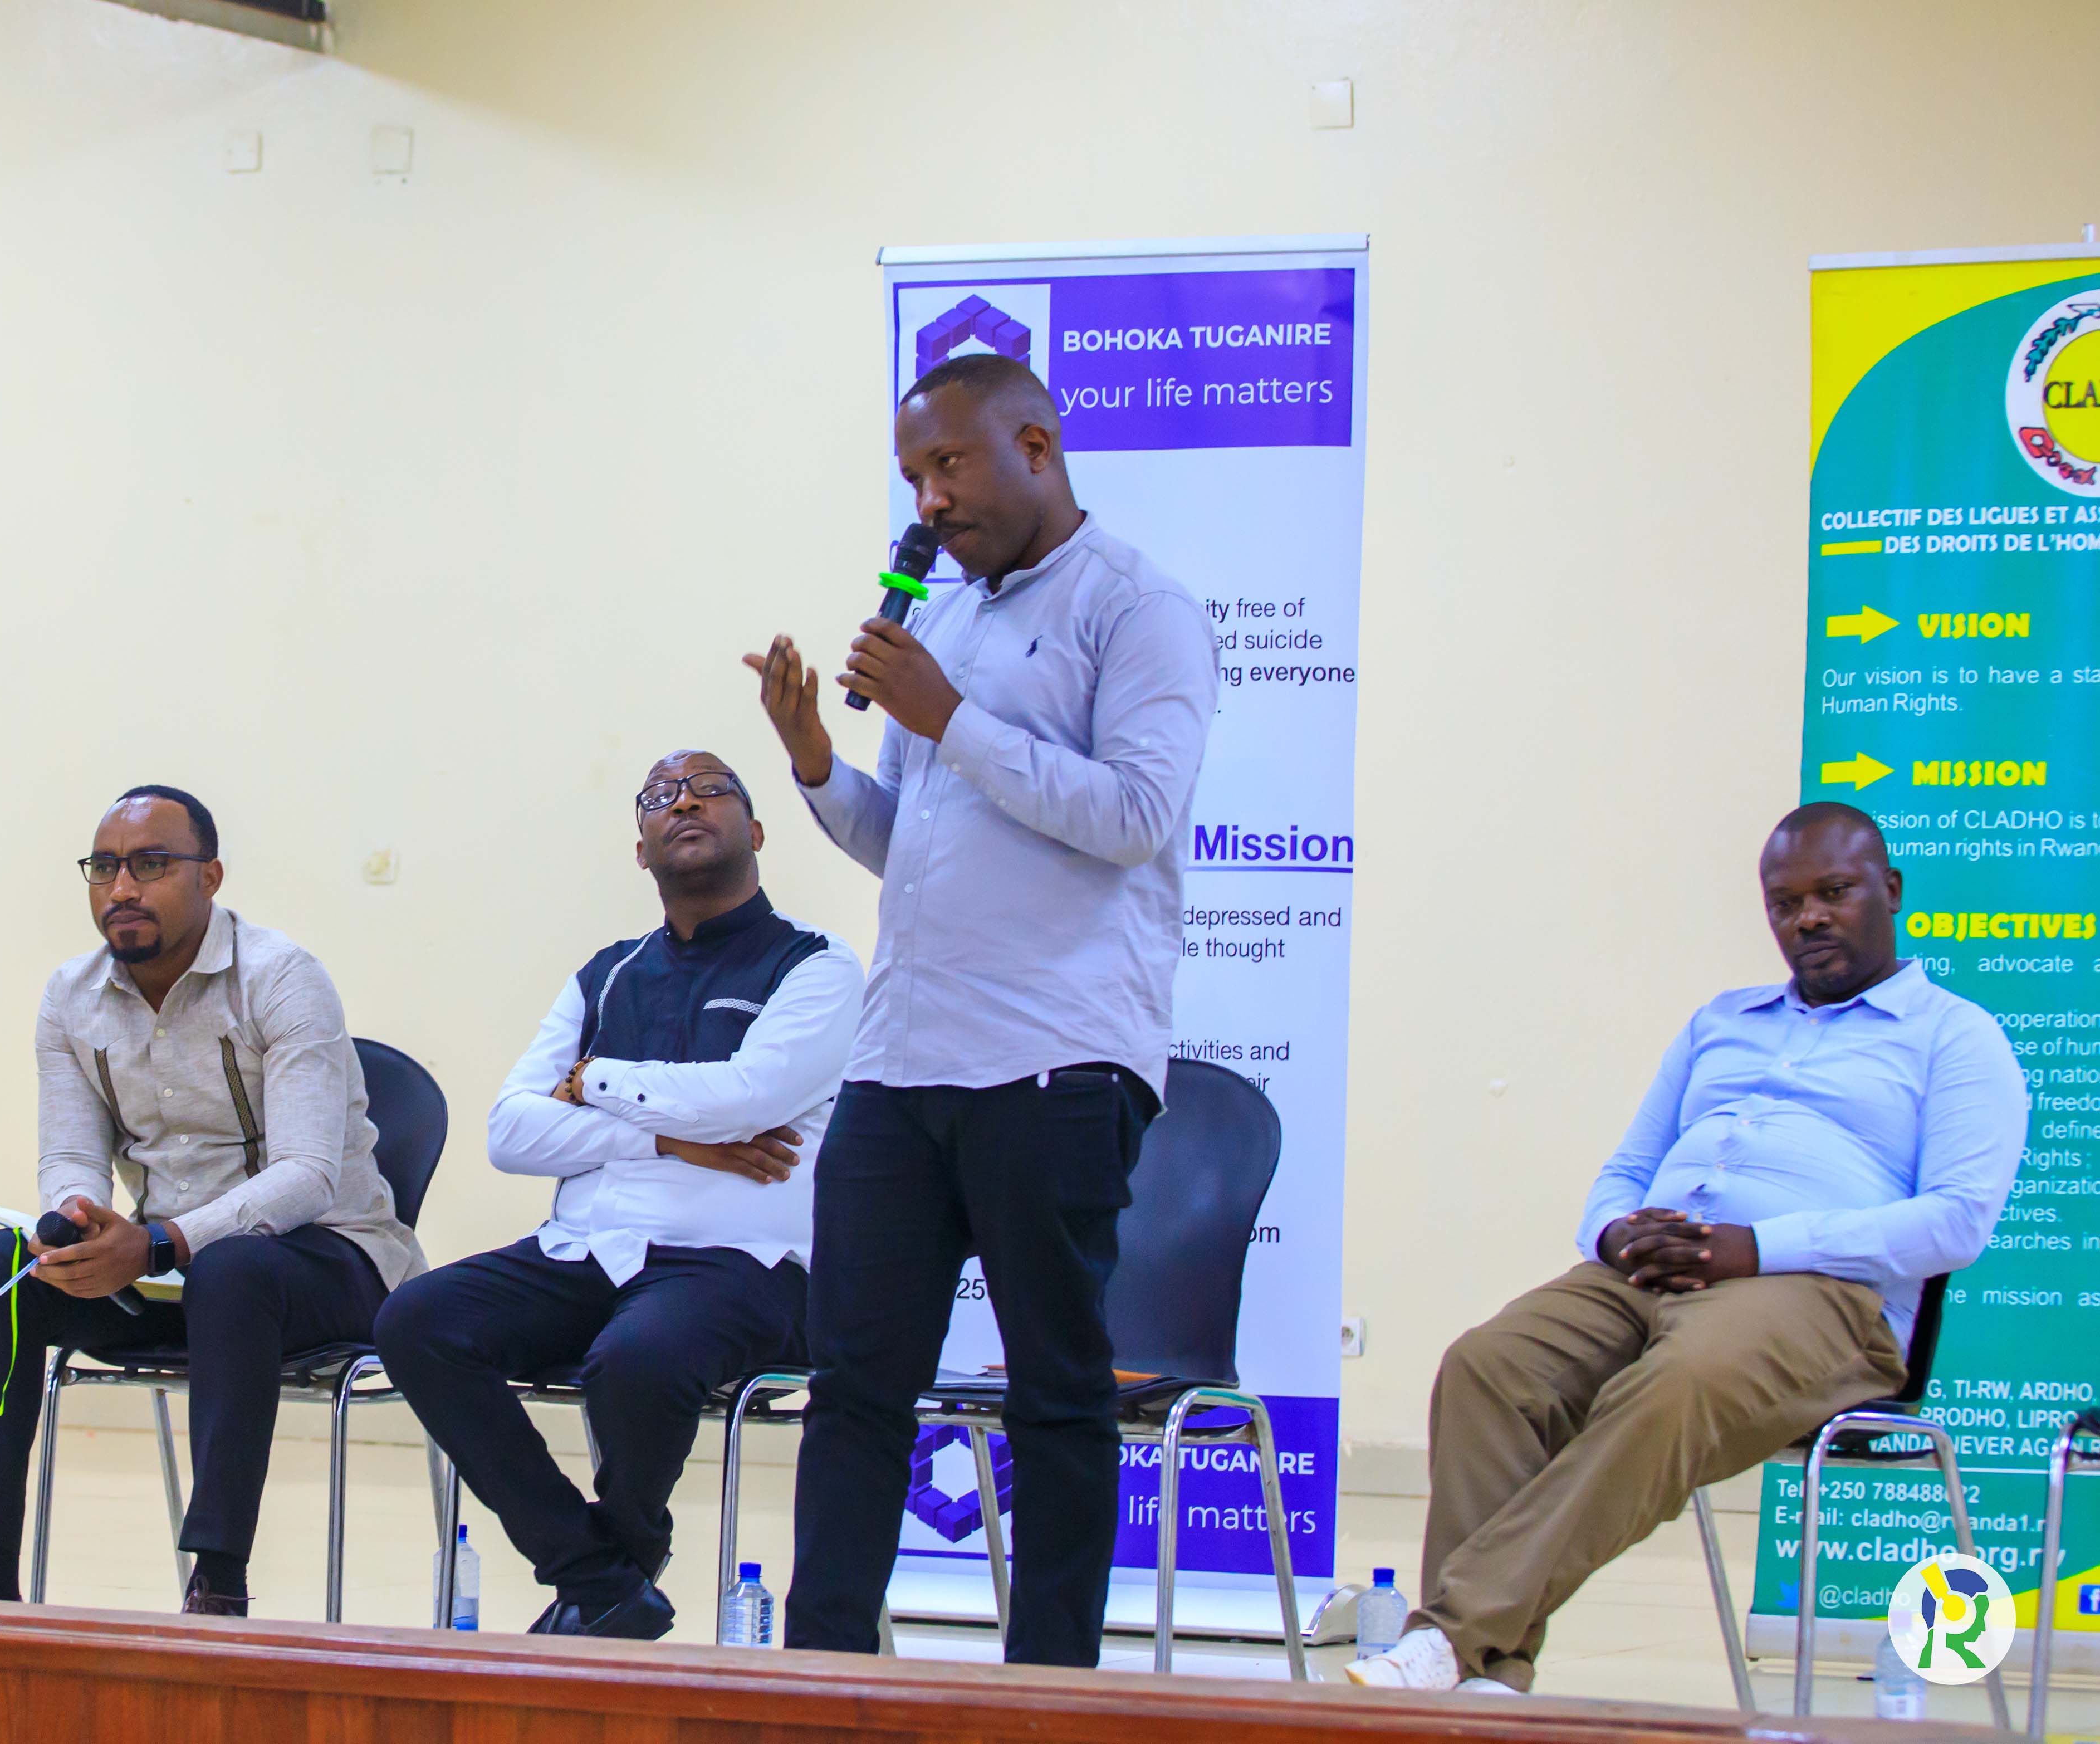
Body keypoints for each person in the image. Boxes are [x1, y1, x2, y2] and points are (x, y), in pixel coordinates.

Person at [743, 353, 1217, 1663]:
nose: (930, 502)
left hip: (1056, 1058)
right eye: (913, 476)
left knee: (1057, 1393)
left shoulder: (1141, 610)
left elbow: (1135, 816)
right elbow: (905, 842)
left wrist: (949, 718)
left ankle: (1047, 1694)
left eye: (949, 465)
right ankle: (825, 1676)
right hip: (904, 1063)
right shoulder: (941, 627)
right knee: (854, 1384)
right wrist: (816, 762)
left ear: (1036, 447)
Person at [1350, 804, 2025, 1692]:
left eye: (1834, 893)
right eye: (1785, 903)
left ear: (1890, 891)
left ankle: (1454, 1635)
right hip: (1647, 1271)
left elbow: (1957, 1222)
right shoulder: (1723, 1021)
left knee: (1679, 1381)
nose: (1809, 918)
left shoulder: (1957, 1036)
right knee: (1490, 1366)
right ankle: (1486, 1682)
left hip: (1815, 1295)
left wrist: (1757, 1248)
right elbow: (1627, 1170)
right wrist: (1616, 1232)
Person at [374, 750, 859, 1639]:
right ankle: (595, 1576)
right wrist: (669, 1137)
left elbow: (749, 1097)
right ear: (641, 851)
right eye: (660, 796)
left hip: (738, 1262)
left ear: (756, 831)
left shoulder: (817, 967)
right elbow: (511, 1133)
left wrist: (595, 1081)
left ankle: (618, 1566)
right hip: (587, 1249)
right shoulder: (606, 974)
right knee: (417, 1320)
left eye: (710, 789)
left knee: (637, 1361)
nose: (685, 803)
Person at [0, 785, 424, 1615]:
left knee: (233, 1272)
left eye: (151, 865)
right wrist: (77, 1222)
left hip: (328, 1261)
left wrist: (160, 1244)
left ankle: (218, 1584)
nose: (122, 888)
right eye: (105, 868)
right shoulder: (70, 995)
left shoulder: (282, 978)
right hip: (169, 1271)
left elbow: (308, 1174)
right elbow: (71, 1154)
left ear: (210, 877)